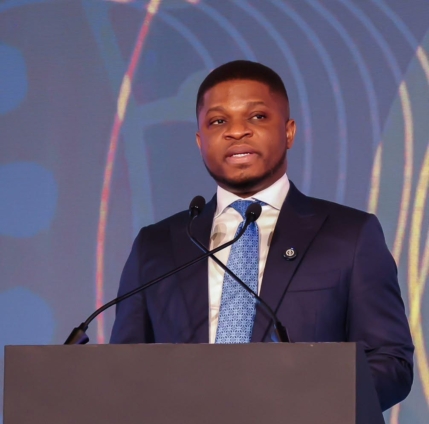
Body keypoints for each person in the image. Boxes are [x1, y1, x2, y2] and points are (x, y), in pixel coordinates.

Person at [110, 60, 414, 411]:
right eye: (218, 121)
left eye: (257, 117)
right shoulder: (156, 245)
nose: (237, 131)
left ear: (289, 132)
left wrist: (309, 407)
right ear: (199, 140)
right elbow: (123, 371)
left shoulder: (350, 235)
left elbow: (390, 362)